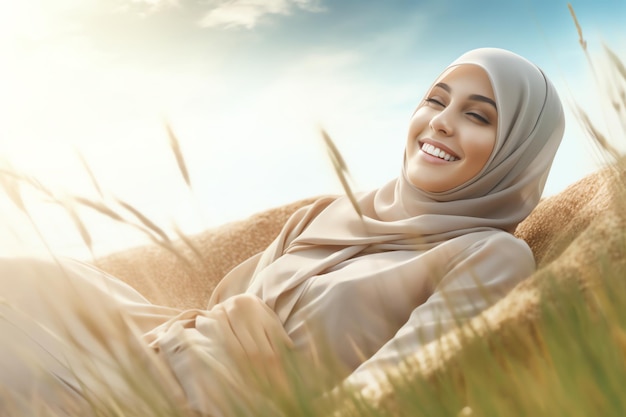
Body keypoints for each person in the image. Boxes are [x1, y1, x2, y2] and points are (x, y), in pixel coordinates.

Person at [0, 47, 564, 416]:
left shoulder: (489, 253)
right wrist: (240, 309)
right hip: (170, 342)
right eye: (435, 101)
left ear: (519, 150)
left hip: (196, 401)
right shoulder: (335, 209)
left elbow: (395, 384)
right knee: (21, 283)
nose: (441, 120)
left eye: (478, 115)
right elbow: (222, 303)